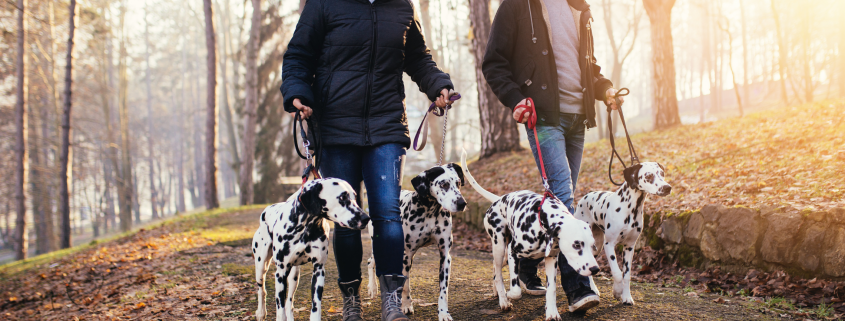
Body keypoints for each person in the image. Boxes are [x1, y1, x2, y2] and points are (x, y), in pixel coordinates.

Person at [281, 0, 454, 319]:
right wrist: (297, 93)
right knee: (347, 220)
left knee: (387, 214)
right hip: (334, 126)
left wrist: (437, 85)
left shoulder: (402, 6)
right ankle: (351, 300)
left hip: (386, 124)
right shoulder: (324, 4)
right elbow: (298, 56)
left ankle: (391, 300)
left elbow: (417, 58)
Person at [481, 0, 622, 313]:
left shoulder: (578, 7)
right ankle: (578, 287)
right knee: (563, 200)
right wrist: (515, 99)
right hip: (543, 117)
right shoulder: (518, 5)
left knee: (560, 202)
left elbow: (588, 66)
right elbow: (493, 62)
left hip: (578, 119)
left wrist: (605, 90)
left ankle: (527, 270)